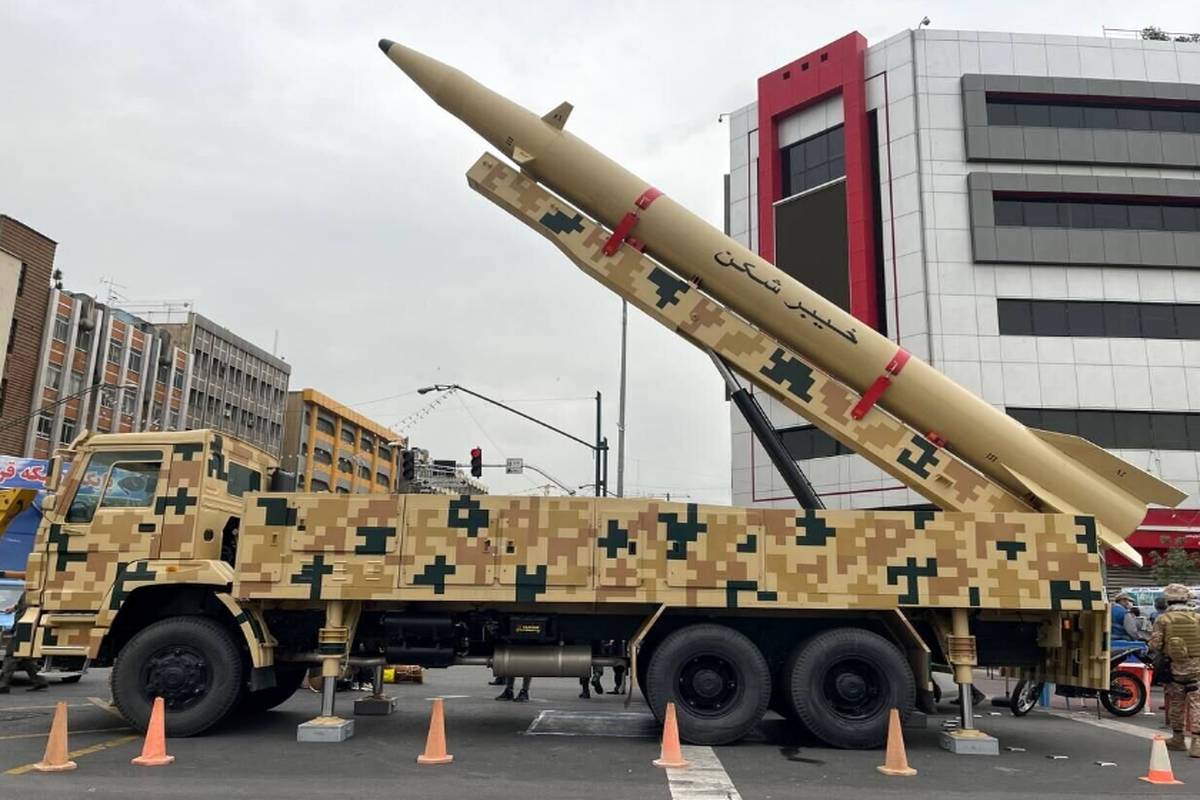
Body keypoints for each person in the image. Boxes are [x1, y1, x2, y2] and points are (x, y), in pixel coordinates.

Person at [1148, 583, 1200, 757]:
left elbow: (1155, 645)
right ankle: (1197, 743)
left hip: (1174, 668)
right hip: (1197, 668)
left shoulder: (1163, 619)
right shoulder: (1197, 618)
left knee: (1176, 703)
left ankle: (1178, 738)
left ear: (1168, 601)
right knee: (1197, 704)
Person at [0, 593, 49, 694]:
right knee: (25, 656)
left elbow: (35, 606)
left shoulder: (37, 591)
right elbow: (24, 604)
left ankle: (3, 684)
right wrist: (14, 608)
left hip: (26, 628)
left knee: (11, 655)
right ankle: (39, 681)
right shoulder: (30, 591)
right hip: (24, 627)